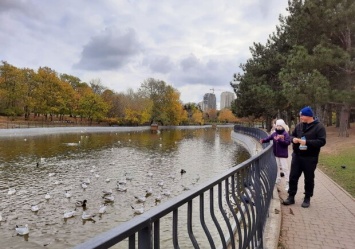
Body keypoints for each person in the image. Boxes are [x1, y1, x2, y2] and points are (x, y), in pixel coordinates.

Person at [283, 106, 326, 208]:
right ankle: (291, 196)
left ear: (309, 116)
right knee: (293, 177)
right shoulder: (299, 126)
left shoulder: (319, 127)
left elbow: (322, 141)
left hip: (310, 157)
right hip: (297, 156)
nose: (301, 117)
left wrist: (307, 142)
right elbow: (290, 136)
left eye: (302, 115)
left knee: (309, 178)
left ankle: (307, 198)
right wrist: (293, 140)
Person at [260, 119, 291, 191]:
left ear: (283, 126)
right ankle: (278, 179)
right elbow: (269, 138)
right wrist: (263, 140)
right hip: (276, 154)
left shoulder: (285, 134)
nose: (279, 127)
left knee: (285, 168)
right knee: (276, 167)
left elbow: (287, 143)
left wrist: (280, 140)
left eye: (280, 126)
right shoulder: (274, 133)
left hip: (283, 154)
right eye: (277, 126)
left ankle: (287, 182)